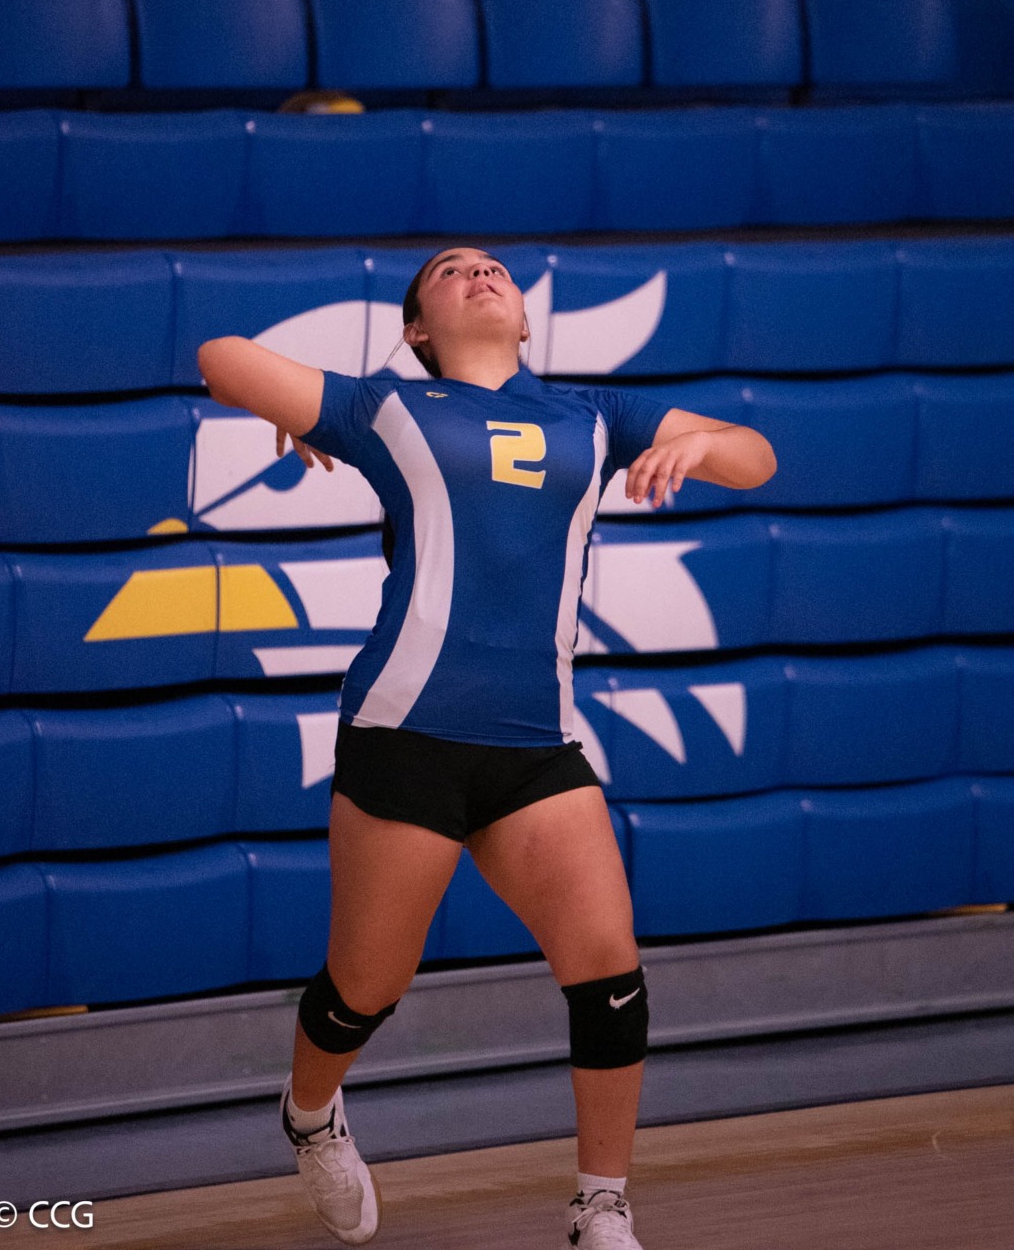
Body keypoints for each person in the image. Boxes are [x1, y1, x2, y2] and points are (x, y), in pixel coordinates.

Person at [197, 246, 776, 1248]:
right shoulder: (385, 407)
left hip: (535, 745)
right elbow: (220, 356)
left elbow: (754, 455)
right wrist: (291, 406)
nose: (479, 272)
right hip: (405, 735)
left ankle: (600, 1206)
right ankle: (310, 1114)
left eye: (493, 267)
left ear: (524, 316)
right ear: (416, 329)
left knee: (608, 972)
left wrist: (700, 443)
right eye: (450, 270)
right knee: (365, 988)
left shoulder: (592, 415)